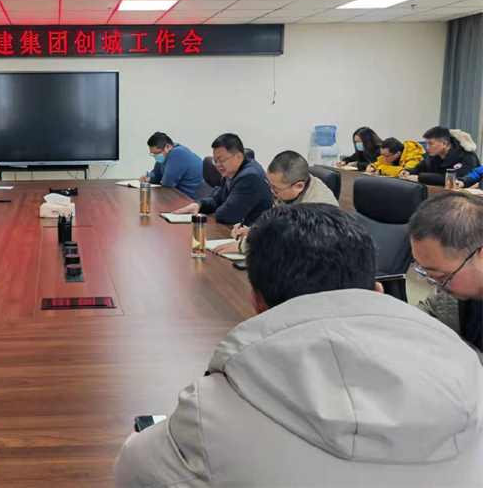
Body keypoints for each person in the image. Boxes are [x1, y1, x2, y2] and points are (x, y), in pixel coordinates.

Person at [115, 204, 483, 488]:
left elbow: (134, 470)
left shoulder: (211, 409)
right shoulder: (471, 379)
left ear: (257, 302)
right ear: (377, 289)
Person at [214, 150, 339, 256]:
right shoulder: (291, 187)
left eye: (276, 189)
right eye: (271, 185)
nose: (272, 191)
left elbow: (293, 242)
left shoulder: (317, 205)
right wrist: (254, 230)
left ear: (299, 186)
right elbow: (278, 224)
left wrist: (246, 245)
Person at [410, 192, 483, 360]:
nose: (432, 284)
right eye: (425, 272)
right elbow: (429, 311)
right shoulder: (457, 294)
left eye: (442, 276)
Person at [172, 134, 272, 226]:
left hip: (256, 234)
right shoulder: (230, 172)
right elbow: (216, 200)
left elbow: (227, 216)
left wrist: (219, 208)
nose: (218, 165)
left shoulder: (250, 178)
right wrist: (198, 205)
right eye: (215, 161)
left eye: (221, 160)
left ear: (239, 157)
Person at [400, 126, 479, 186]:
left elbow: (456, 179)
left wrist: (420, 178)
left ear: (444, 144)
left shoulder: (467, 157)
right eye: (426, 143)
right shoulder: (433, 155)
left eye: (430, 144)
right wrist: (408, 172)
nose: (427, 147)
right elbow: (419, 168)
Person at [139, 132, 203, 199]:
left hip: (188, 198)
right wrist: (148, 178)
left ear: (168, 146)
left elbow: (168, 184)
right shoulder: (165, 154)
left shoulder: (178, 153)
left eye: (157, 153)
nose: (156, 156)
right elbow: (156, 173)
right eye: (153, 154)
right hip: (175, 194)